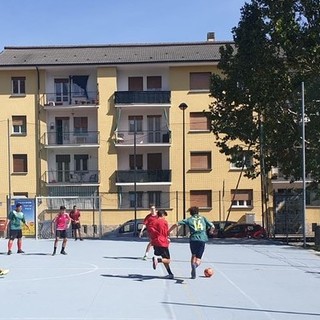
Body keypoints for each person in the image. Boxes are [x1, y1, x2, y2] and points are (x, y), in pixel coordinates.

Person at [168, 206, 214, 279]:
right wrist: (211, 231)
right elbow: (212, 226)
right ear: (198, 212)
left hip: (193, 239)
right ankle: (195, 266)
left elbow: (176, 224)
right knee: (198, 258)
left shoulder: (189, 219)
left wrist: (169, 231)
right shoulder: (203, 218)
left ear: (190, 213)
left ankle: (193, 270)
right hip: (202, 238)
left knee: (193, 255)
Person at [149, 209, 174, 279]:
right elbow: (165, 232)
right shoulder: (164, 222)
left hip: (156, 242)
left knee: (164, 259)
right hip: (162, 242)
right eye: (164, 216)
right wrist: (167, 238)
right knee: (168, 260)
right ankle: (157, 260)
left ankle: (170, 274)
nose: (165, 217)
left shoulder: (153, 222)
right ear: (162, 215)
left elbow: (151, 231)